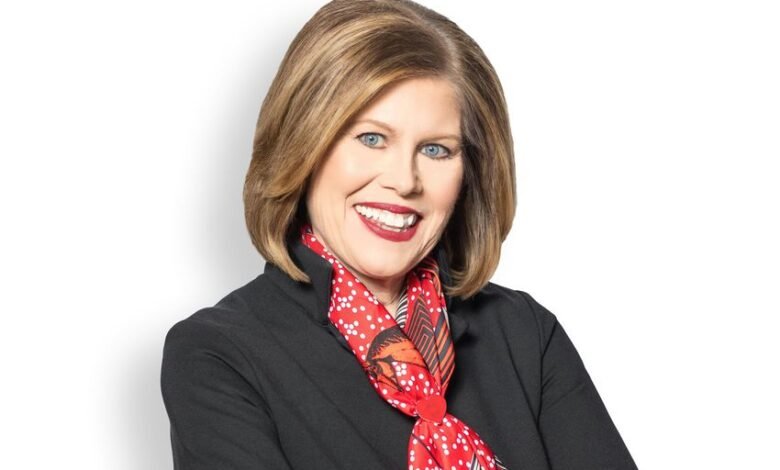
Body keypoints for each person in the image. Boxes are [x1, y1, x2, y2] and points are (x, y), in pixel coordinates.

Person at [160, 1, 638, 469]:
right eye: (371, 139)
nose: (405, 181)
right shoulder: (218, 355)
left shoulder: (525, 333)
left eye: (436, 150)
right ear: (304, 144)